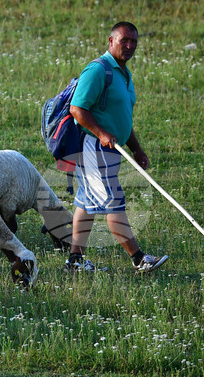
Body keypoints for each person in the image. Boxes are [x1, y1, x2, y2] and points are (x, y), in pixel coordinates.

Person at [65, 21, 167, 273]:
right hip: (95, 148)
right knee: (114, 201)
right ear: (111, 41)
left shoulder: (123, 72)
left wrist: (137, 149)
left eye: (134, 41)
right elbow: (77, 109)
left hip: (112, 149)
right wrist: (101, 133)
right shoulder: (98, 70)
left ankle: (74, 261)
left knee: (85, 203)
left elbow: (121, 118)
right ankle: (139, 259)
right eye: (124, 41)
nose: (130, 46)